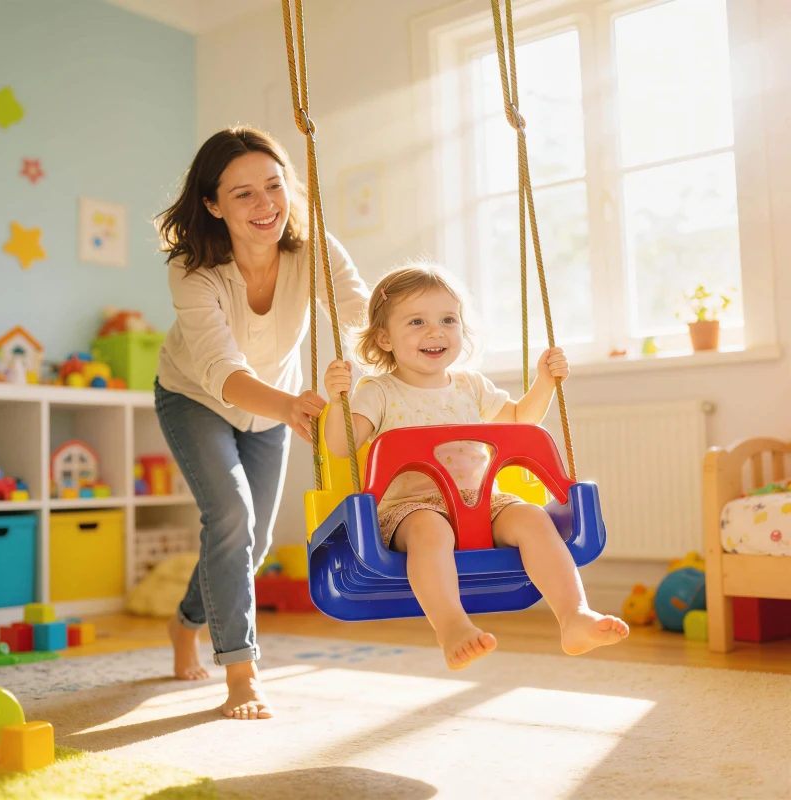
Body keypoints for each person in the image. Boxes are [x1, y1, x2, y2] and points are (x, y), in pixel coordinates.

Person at [153, 126, 369, 719]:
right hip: (196, 396)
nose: (264, 203)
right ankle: (241, 673)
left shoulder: (312, 247)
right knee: (230, 515)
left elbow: (359, 314)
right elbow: (221, 370)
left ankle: (185, 623)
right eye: (242, 193)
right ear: (212, 204)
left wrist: (413, 355)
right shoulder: (193, 270)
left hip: (273, 407)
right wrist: (291, 406)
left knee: (253, 545)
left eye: (273, 186)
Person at [324, 264, 629, 671]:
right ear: (384, 338)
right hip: (411, 509)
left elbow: (521, 420)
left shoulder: (471, 386)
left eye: (448, 320)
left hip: (481, 501)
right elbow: (342, 445)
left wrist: (544, 382)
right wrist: (337, 400)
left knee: (534, 518)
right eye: (417, 321)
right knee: (431, 530)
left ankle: (574, 616)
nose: (436, 332)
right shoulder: (378, 391)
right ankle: (451, 626)